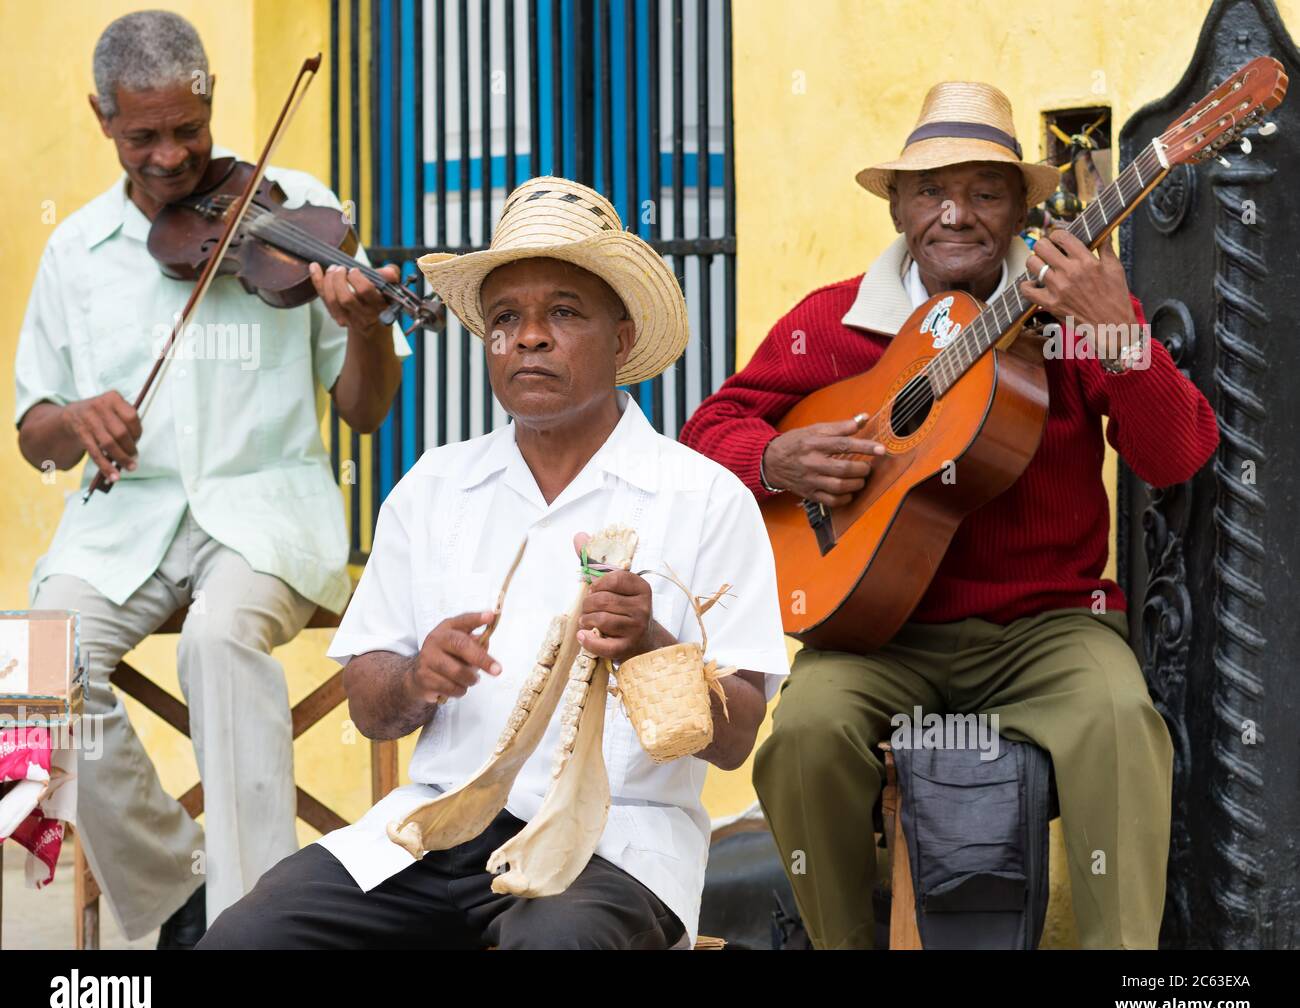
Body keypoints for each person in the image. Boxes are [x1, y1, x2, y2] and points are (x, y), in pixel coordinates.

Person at [679, 81, 1220, 949]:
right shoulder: (833, 325)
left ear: (1019, 211)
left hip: (1048, 630)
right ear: (897, 206)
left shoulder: (1066, 319)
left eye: (985, 191)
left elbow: (1182, 453)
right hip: (878, 636)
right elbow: (707, 430)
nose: (955, 214)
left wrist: (1117, 331)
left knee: (1124, 726)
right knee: (804, 735)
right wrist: (775, 459)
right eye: (930, 190)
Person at [197, 176, 790, 950]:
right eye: (506, 318)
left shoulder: (705, 497)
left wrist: (650, 645)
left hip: (612, 846)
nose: (530, 337)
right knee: (246, 941)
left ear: (620, 335)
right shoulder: (434, 486)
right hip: (433, 826)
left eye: (564, 313)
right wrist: (416, 678)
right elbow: (368, 705)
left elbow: (736, 735)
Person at [14, 11, 409, 947]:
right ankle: (180, 890)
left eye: (187, 129)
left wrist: (364, 325)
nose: (169, 156)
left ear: (211, 103)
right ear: (101, 118)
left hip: (265, 518)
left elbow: (366, 411)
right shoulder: (74, 253)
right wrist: (75, 421)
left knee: (220, 640)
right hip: (124, 527)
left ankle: (259, 921)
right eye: (142, 134)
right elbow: (35, 436)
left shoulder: (297, 211)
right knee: (27, 666)